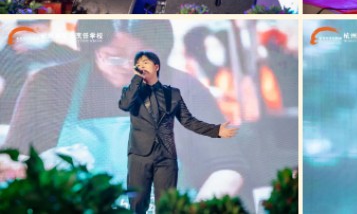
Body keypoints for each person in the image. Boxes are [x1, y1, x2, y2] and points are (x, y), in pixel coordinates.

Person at [4, 21, 245, 207]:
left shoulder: (184, 88)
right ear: (93, 49)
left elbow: (227, 167)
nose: (131, 68)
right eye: (114, 57)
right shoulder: (50, 85)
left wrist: (192, 211)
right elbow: (13, 159)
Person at [119, 50, 238, 214]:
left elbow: (189, 121)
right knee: (137, 204)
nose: (141, 68)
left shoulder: (173, 93)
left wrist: (216, 130)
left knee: (167, 205)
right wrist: (137, 80)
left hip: (166, 157)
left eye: (145, 64)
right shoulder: (131, 93)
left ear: (157, 67)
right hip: (139, 157)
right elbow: (125, 104)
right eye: (138, 65)